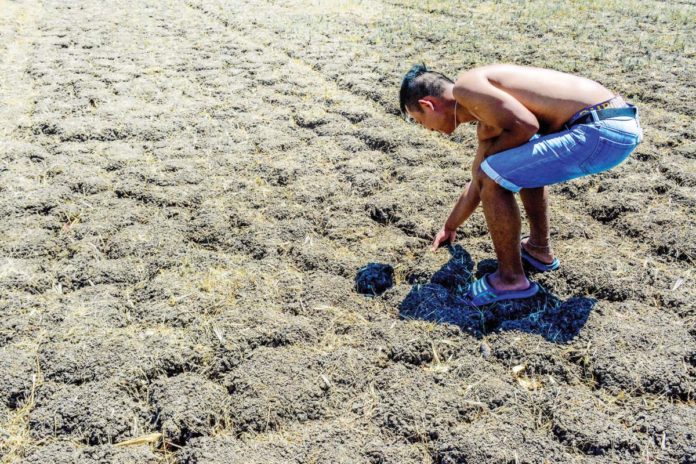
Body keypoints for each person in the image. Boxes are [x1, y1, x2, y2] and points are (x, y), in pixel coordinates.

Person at [399, 63, 642, 306]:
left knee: (496, 173)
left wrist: (490, 163)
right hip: (615, 124)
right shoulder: (489, 119)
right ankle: (539, 249)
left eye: (419, 121)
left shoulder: (466, 87)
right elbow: (478, 181)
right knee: (516, 167)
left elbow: (526, 126)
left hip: (600, 129)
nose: (426, 129)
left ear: (427, 105)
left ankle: (511, 278)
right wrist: (450, 226)